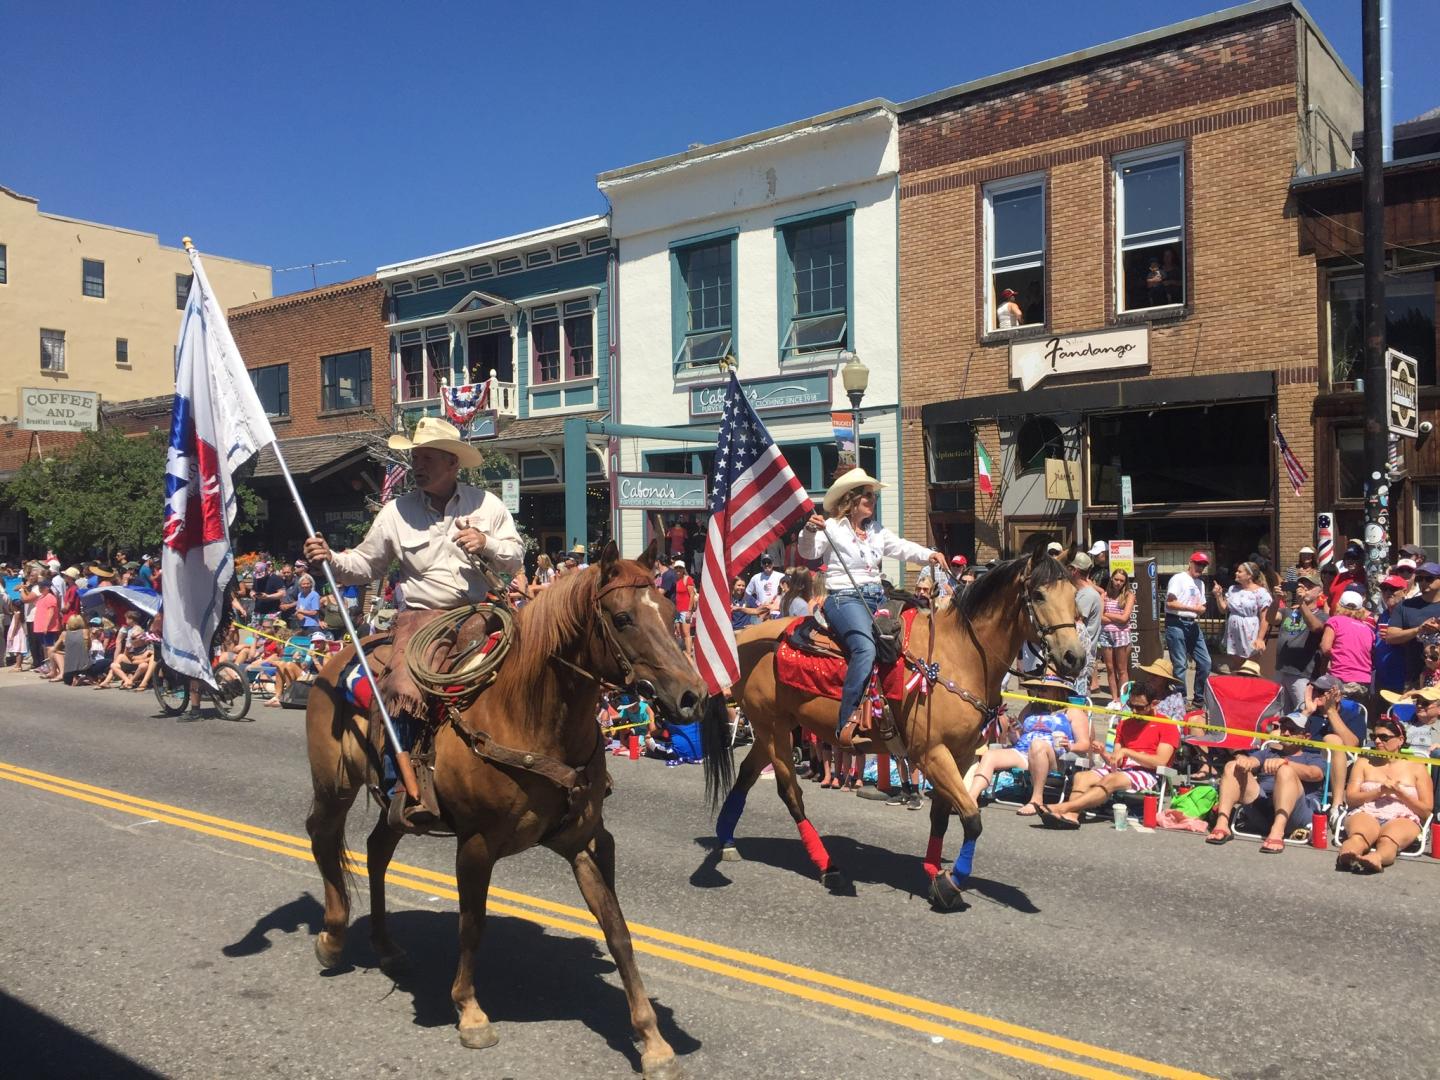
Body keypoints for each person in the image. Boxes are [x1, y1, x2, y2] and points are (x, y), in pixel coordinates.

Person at [302, 417, 524, 828]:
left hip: (482, 612)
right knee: (403, 684)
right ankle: (401, 786)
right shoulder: (395, 513)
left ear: (452, 463)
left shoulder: (486, 505)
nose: (416, 465)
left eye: (425, 457)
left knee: (537, 662)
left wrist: (486, 543)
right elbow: (364, 565)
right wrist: (330, 559)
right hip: (421, 619)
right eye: (414, 457)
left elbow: (515, 557)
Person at [797, 467, 942, 746]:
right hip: (844, 597)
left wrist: (930, 554)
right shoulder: (832, 527)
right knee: (865, 648)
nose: (872, 500)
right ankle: (846, 722)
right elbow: (808, 552)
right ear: (851, 499)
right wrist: (808, 529)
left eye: (873, 496)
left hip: (877, 595)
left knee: (909, 636)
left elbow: (901, 547)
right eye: (867, 496)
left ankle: (893, 712)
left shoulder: (876, 530)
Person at [1036, 681, 1178, 828]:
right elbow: (1115, 761)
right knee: (1081, 777)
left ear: (1154, 704)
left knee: (1111, 779)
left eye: (1140, 707)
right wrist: (1103, 752)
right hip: (1121, 770)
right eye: (1131, 706)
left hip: (1147, 771)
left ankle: (1062, 808)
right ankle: (1072, 816)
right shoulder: (1125, 724)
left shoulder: (1167, 725)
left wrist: (1127, 751)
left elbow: (1160, 761)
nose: (1134, 711)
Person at [969, 674, 1090, 815]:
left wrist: (1071, 746)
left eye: (1044, 690)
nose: (1039, 693)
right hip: (1023, 752)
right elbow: (1018, 739)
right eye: (1038, 689)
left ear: (1058, 691)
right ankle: (971, 797)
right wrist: (1013, 732)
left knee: (1037, 745)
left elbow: (1085, 744)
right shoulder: (1030, 708)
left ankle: (1036, 800)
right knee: (990, 755)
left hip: (1055, 757)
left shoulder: (1072, 712)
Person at [1205, 711, 1327, 851]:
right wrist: (1245, 761)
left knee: (1285, 770)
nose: (1286, 733)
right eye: (1283, 728)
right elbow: (1252, 761)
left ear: (1306, 737)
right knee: (1232, 766)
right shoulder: (1268, 752)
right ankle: (1222, 823)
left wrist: (1284, 763)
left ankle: (1277, 831)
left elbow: (1314, 774)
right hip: (1263, 808)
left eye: (1292, 730)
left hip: (1295, 814)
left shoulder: (1313, 757)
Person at [1334, 718, 1434, 874]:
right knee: (1357, 837)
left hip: (1404, 815)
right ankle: (1348, 855)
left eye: (1384, 737)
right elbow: (1351, 798)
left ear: (1400, 740)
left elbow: (1427, 810)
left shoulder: (1417, 767)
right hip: (1367, 810)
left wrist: (1400, 793)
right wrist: (1379, 791)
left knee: (1388, 841)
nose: (1378, 741)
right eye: (1374, 737)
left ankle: (1376, 858)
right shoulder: (1364, 762)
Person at [1272, 570, 1328, 713]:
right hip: (1281, 671)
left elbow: (1315, 627)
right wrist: (1275, 599)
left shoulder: (1323, 616)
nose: (1304, 588)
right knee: (1279, 713)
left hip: (1302, 675)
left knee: (1302, 713)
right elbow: (1271, 619)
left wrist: (1301, 603)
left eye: (1309, 586)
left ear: (1320, 592)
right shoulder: (1289, 612)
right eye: (1302, 585)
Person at [1380, 561, 1440, 687]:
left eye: (1428, 578)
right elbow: (1390, 637)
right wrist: (1418, 629)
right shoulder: (1406, 606)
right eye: (1419, 578)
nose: (1423, 582)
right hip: (1415, 677)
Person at [1165, 552, 1212, 707]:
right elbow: (1170, 603)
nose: (1200, 568)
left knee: (1205, 662)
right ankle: (1181, 699)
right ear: (1190, 562)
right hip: (1176, 622)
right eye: (1198, 564)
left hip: (1192, 623)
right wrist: (1192, 608)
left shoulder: (1200, 583)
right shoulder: (1178, 579)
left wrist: (1200, 610)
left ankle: (1199, 699)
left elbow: (1202, 605)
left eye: (1203, 565)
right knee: (1180, 664)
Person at [1318, 590, 1374, 696]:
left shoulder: (1335, 621)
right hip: (1364, 681)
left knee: (1331, 709)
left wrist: (1333, 658)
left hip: (1341, 677)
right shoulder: (1368, 629)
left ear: (1339, 605)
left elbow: (1325, 647)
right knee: (1356, 711)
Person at [1213, 561, 1272, 660]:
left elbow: (1265, 618)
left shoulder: (1261, 592)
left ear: (1249, 575)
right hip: (1233, 632)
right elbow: (1223, 609)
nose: (1236, 573)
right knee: (1235, 665)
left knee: (1249, 664)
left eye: (1239, 572)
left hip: (1249, 630)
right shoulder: (1233, 589)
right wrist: (1218, 596)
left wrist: (1260, 639)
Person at [1068, 553, 1103, 696]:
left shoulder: (1087, 595)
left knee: (1076, 702)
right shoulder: (1080, 592)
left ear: (1074, 570)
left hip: (1080, 659)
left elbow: (1074, 621)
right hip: (1074, 658)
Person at [1100, 569, 1135, 700]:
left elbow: (1124, 618)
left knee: (1122, 669)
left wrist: (1107, 615)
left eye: (1122, 580)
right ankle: (1114, 699)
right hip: (1106, 634)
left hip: (1121, 634)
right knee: (1110, 668)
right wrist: (1116, 617)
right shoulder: (1104, 595)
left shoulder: (1128, 595)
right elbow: (1099, 617)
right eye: (1116, 579)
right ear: (1111, 579)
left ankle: (1124, 699)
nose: (1118, 583)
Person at [1326, 543, 1367, 611]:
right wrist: (1327, 616)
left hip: (1353, 618)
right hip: (1333, 619)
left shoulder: (1367, 578)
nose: (1350, 561)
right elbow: (1329, 600)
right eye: (1347, 558)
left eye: (1354, 558)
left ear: (1361, 560)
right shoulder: (1340, 576)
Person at [743, 554, 785, 619]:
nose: (767, 564)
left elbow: (788, 592)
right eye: (764, 563)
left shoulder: (781, 576)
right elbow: (747, 594)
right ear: (761, 564)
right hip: (762, 614)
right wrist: (756, 605)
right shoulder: (756, 578)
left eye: (769, 562)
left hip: (777, 613)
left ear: (773, 564)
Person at [672, 560, 695, 659]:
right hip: (677, 610)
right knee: (679, 632)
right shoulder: (674, 580)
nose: (678, 570)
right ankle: (685, 650)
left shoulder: (688, 579)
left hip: (685, 609)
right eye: (676, 568)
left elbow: (692, 595)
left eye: (680, 568)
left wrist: (690, 611)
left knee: (686, 633)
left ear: (683, 569)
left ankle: (689, 653)